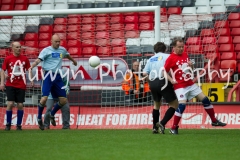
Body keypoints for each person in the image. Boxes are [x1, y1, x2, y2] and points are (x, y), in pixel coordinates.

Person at [164, 37, 227, 135]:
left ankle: (214, 121)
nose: (181, 49)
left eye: (182, 47)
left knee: (205, 99)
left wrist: (191, 66)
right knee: (182, 105)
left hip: (190, 83)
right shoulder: (171, 58)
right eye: (179, 47)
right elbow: (164, 71)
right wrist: (171, 80)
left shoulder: (185, 54)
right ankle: (173, 128)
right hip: (180, 86)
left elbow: (190, 69)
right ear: (174, 47)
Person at [29, 34, 77, 130]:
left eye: (59, 41)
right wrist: (32, 65)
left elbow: (67, 55)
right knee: (44, 99)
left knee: (63, 100)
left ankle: (52, 114)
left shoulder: (62, 50)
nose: (58, 43)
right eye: (56, 41)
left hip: (58, 77)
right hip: (48, 76)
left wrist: (74, 61)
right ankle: (39, 118)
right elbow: (39, 60)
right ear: (51, 41)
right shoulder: (46, 51)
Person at [143, 42, 179, 134]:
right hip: (163, 81)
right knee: (174, 104)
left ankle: (154, 128)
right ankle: (162, 123)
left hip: (153, 82)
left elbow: (144, 73)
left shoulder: (150, 59)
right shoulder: (167, 56)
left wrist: (150, 81)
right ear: (165, 49)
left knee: (156, 105)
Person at [0, 42, 33, 131]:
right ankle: (8, 125)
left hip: (21, 85)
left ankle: (19, 125)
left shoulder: (25, 59)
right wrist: (2, 83)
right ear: (12, 48)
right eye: (17, 47)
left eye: (20, 47)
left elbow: (29, 69)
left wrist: (31, 79)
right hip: (10, 84)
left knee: (20, 104)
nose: (19, 49)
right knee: (10, 103)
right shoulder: (8, 58)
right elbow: (2, 70)